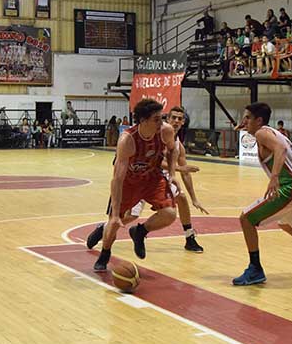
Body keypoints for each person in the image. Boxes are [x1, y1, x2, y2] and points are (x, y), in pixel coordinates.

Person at [232, 102, 292, 286]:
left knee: (246, 219)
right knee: (286, 223)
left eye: (247, 117)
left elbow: (282, 150)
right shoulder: (274, 133)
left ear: (259, 120)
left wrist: (275, 177)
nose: (243, 121)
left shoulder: (262, 132)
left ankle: (255, 269)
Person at [88, 106, 208, 253]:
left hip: (156, 180)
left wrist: (194, 198)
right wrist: (178, 169)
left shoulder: (177, 145)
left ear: (183, 122)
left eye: (180, 119)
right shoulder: (154, 134)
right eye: (173, 118)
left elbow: (185, 172)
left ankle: (189, 237)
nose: (176, 121)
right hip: (136, 177)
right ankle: (104, 229)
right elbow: (156, 162)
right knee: (131, 216)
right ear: (167, 119)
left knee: (181, 198)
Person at [90, 99, 178, 271]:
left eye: (162, 118)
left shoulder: (165, 131)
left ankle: (140, 232)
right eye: (157, 119)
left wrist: (173, 173)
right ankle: (105, 253)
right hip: (129, 183)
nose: (162, 122)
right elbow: (117, 179)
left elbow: (173, 149)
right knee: (115, 223)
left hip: (152, 178)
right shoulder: (127, 140)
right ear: (143, 120)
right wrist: (115, 215)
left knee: (169, 214)